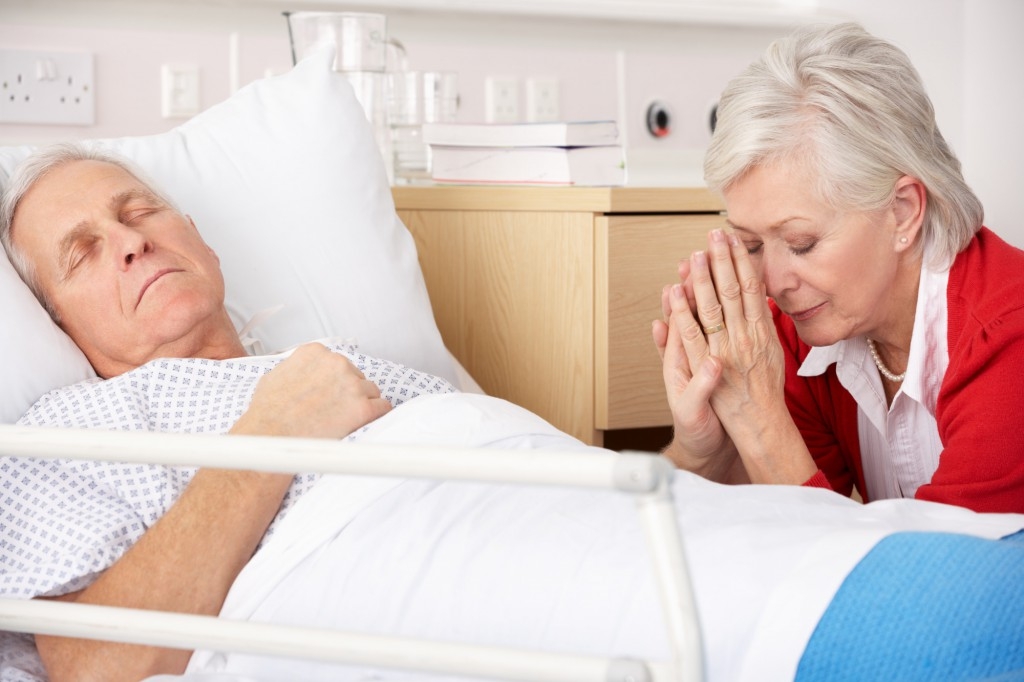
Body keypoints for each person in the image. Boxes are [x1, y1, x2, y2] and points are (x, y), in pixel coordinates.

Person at [0, 143, 456, 682]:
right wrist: (274, 433)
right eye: (82, 253)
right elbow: (100, 665)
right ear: (59, 324)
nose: (131, 241)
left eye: (139, 212)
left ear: (202, 242)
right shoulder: (64, 436)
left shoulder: (339, 363)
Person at [653, 22, 1024, 514]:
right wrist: (702, 452)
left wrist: (757, 418)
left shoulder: (1009, 340)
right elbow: (768, 522)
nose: (772, 284)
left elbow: (928, 562)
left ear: (903, 212)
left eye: (801, 244)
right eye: (752, 245)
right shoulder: (802, 333)